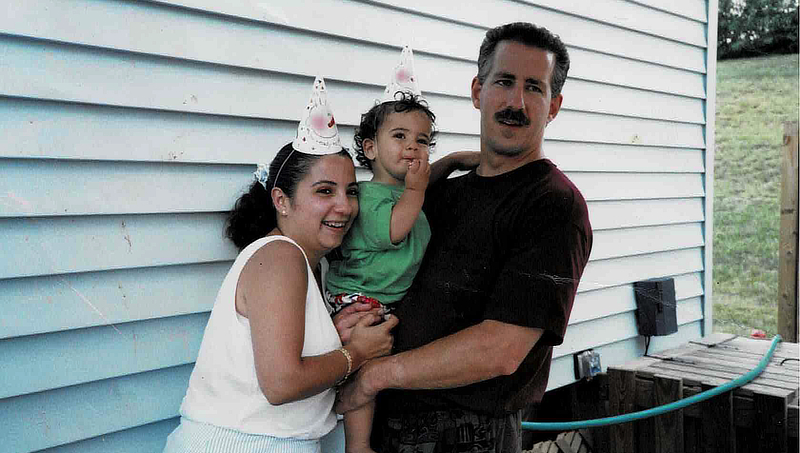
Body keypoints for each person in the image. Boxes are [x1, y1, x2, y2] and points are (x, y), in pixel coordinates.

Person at [335, 22, 594, 453]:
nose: (516, 102)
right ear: (478, 90)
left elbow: (501, 349)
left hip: (470, 434)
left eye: (534, 88)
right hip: (390, 420)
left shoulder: (553, 205)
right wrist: (349, 318)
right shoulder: (443, 193)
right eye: (504, 82)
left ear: (554, 106)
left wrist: (374, 376)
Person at [163, 76, 398, 453]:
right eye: (325, 191)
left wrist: (335, 336)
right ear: (282, 200)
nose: (345, 206)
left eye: (351, 191)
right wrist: (358, 353)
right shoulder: (281, 257)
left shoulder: (305, 263)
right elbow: (281, 383)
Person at [324, 47, 480, 453]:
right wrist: (416, 186)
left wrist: (454, 160)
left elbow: (422, 185)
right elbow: (396, 229)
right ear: (370, 148)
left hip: (382, 297)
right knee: (366, 368)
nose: (412, 147)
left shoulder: (402, 190)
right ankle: (357, 446)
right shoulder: (370, 198)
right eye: (399, 137)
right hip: (360, 300)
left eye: (422, 140)